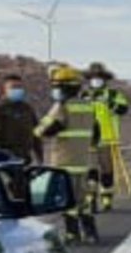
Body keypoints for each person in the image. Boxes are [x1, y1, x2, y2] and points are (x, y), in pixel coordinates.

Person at [34, 65, 99, 243]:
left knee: (67, 201)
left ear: (64, 88)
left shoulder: (62, 108)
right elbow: (96, 133)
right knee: (83, 200)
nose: (55, 90)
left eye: (57, 87)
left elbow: (45, 131)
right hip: (83, 162)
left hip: (64, 163)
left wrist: (39, 128)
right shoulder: (88, 107)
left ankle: (72, 233)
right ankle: (91, 233)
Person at [81, 62, 130, 211]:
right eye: (93, 78)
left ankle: (107, 198)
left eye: (99, 77)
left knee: (107, 171)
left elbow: (123, 109)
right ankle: (90, 198)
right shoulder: (84, 96)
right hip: (88, 140)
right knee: (90, 170)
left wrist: (109, 104)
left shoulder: (114, 95)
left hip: (107, 139)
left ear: (104, 79)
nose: (96, 80)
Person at [0, 74, 43, 164]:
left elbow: (36, 133)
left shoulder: (27, 109)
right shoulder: (0, 109)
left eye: (19, 87)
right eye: (13, 87)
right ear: (5, 90)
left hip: (26, 158)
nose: (17, 90)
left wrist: (40, 158)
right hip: (8, 159)